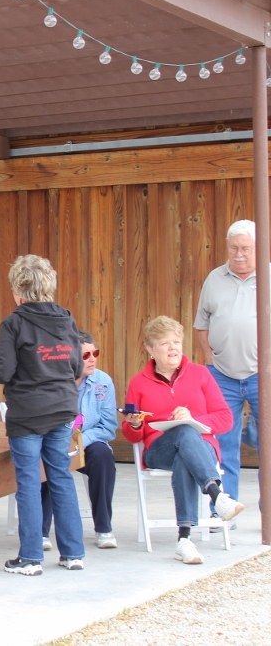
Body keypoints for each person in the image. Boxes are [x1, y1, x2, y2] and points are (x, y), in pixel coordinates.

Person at [0, 254, 85, 576]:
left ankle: (31, 558)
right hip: (63, 408)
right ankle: (73, 554)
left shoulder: (14, 323)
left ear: (17, 291)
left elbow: (3, 371)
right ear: (49, 285)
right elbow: (77, 367)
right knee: (61, 476)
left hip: (27, 413)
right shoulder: (67, 319)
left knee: (28, 482)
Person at [123, 315, 244, 565]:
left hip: (202, 448)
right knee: (184, 433)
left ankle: (184, 540)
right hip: (159, 450)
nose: (173, 348)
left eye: (176, 342)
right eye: (165, 343)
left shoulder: (201, 374)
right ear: (150, 349)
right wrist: (134, 424)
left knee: (186, 447)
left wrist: (193, 418)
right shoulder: (138, 382)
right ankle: (217, 495)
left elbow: (225, 418)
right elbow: (131, 434)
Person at [194, 219, 260, 507]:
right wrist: (209, 359)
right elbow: (202, 324)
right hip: (222, 375)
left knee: (268, 445)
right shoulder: (215, 278)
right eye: (234, 248)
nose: (239, 254)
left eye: (246, 248)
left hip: (262, 375)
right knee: (223, 445)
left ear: (258, 247)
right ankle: (223, 509)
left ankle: (269, 511)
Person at [41, 330, 118, 550]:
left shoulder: (103, 381)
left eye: (95, 353)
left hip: (88, 442)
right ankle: (41, 532)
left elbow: (108, 427)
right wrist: (60, 440)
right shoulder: (52, 380)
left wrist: (79, 441)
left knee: (103, 457)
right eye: (86, 355)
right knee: (47, 458)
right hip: (55, 439)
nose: (92, 359)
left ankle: (104, 528)